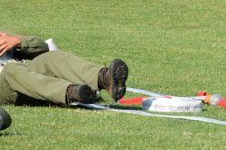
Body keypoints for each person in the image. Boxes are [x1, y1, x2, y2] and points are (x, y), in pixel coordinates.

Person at [0, 31, 129, 106]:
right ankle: (72, 93)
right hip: (5, 85)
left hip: (24, 73)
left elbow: (44, 47)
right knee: (11, 70)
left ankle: (105, 78)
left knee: (51, 57)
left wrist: (20, 42)